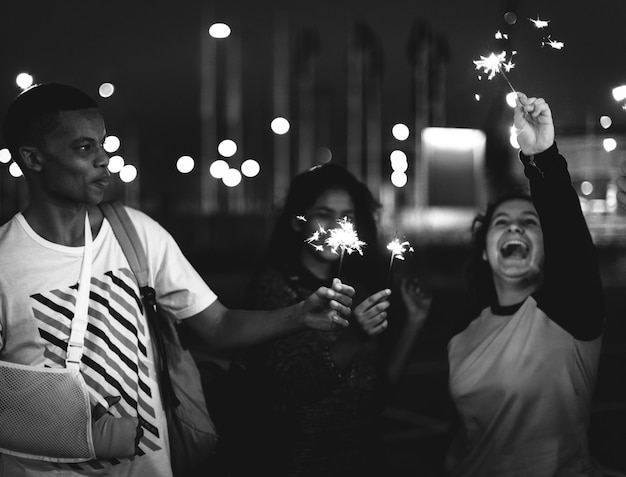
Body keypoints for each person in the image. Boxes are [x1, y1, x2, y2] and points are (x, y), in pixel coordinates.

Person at [0, 83, 355, 477]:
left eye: (104, 144)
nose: (104, 160)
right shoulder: (5, 263)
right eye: (84, 148)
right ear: (33, 159)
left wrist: (302, 314)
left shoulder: (135, 233)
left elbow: (218, 325)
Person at [445, 92, 605, 476]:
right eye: (501, 222)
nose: (514, 226)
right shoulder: (460, 335)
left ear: (546, 248)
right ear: (485, 251)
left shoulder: (570, 316)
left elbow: (570, 241)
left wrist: (542, 156)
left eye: (529, 222)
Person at [242, 163, 432, 477]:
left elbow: (378, 394)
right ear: (296, 221)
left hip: (363, 460)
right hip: (299, 463)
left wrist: (414, 320)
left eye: (348, 216)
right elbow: (291, 388)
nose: (338, 225)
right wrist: (354, 337)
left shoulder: (358, 291)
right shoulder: (276, 287)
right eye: (324, 213)